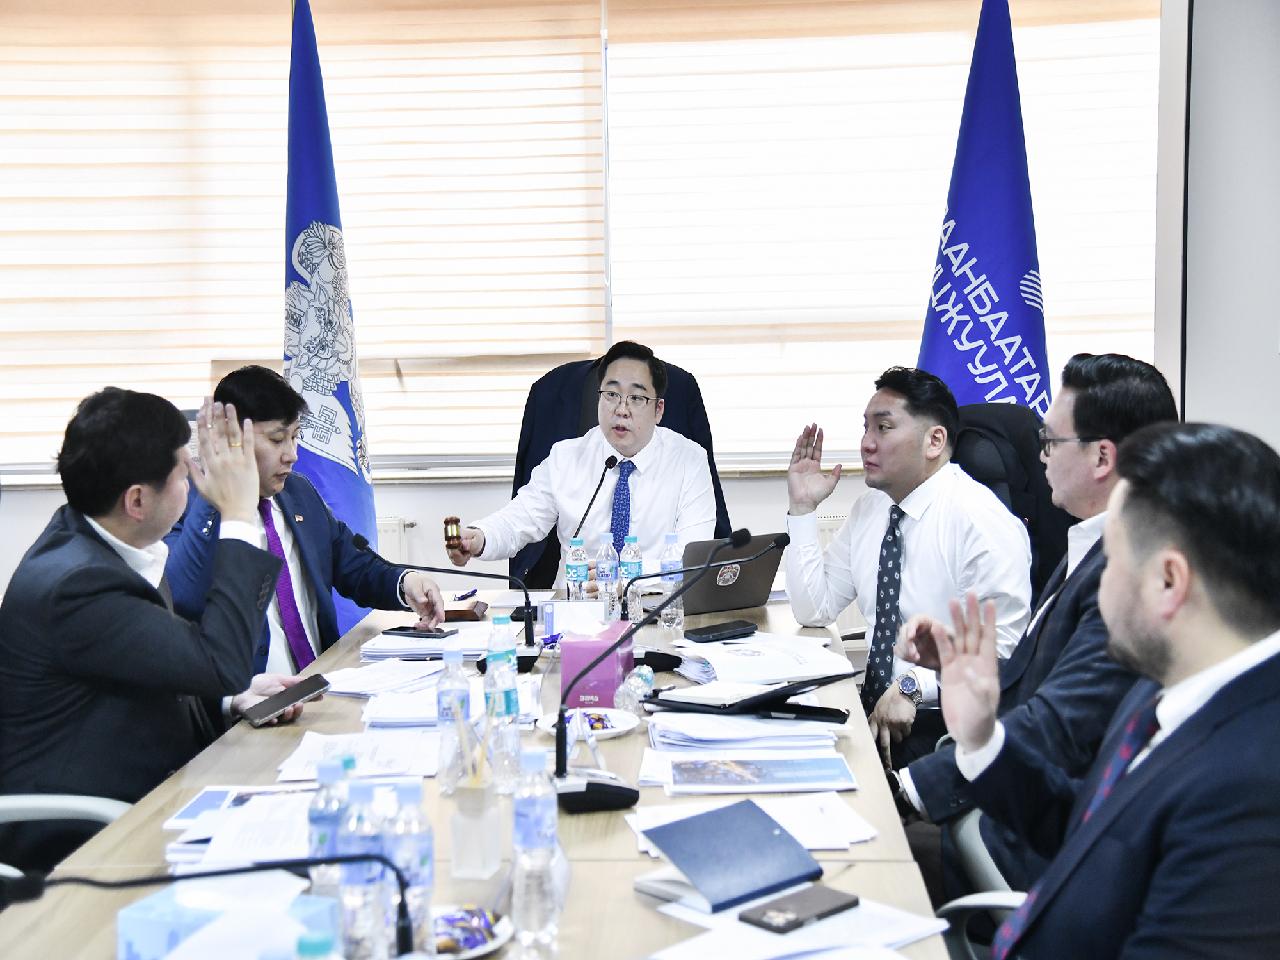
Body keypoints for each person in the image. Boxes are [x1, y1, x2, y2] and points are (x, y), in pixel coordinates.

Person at [936, 422, 1280, 959]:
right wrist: (982, 739)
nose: (1097, 587)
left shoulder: (1250, 792)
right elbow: (1092, 830)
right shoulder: (1161, 690)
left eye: (1111, 560)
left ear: (1168, 582)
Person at [889, 354, 1177, 889]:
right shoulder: (1087, 546)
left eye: (1051, 441)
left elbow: (1057, 725)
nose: (1040, 455)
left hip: (1039, 838)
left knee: (872, 863)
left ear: (1102, 457)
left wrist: (907, 790)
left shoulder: (1131, 574)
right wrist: (955, 664)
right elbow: (1033, 682)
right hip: (1007, 792)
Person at [0, 390, 304, 872]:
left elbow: (159, 669)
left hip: (153, 793)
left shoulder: (104, 542)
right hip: (86, 839)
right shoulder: (79, 585)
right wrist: (240, 516)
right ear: (138, 500)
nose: (198, 480)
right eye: (186, 472)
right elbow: (219, 663)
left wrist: (231, 700)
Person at [784, 366, 1032, 762]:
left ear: (935, 440)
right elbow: (815, 609)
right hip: (873, 707)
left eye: (883, 428)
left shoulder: (981, 521)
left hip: (943, 718)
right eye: (865, 428)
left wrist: (915, 685)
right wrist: (802, 509)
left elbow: (1004, 653)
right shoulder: (871, 509)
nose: (866, 443)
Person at [165, 365, 443, 676]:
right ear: (230, 439)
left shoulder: (299, 492)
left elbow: (354, 565)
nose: (292, 454)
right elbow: (180, 598)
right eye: (277, 439)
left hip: (323, 681)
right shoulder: (186, 509)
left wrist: (406, 582)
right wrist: (216, 498)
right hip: (250, 696)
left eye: (295, 436)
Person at [447, 341, 717, 580]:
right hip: (578, 604)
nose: (621, 410)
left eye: (636, 398)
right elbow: (519, 520)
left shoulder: (689, 461)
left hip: (656, 605)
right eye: (611, 395)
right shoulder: (565, 458)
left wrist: (625, 575)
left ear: (658, 410)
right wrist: (479, 537)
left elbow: (692, 559)